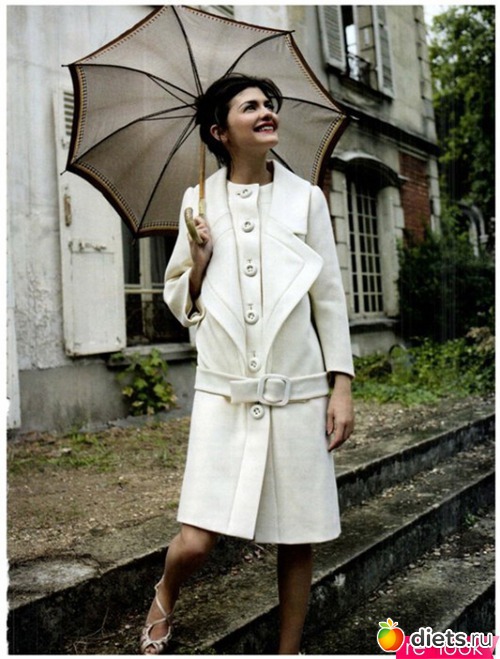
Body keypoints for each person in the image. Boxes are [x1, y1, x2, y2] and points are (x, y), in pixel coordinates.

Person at [140, 74, 355, 655]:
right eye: (250, 106)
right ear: (220, 131)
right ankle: (165, 592)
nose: (266, 112)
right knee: (197, 539)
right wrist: (200, 259)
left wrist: (341, 385)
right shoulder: (197, 201)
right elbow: (180, 300)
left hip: (298, 391)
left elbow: (329, 299)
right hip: (224, 393)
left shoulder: (307, 199)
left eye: (269, 104)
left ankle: (288, 650)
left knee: (298, 536)